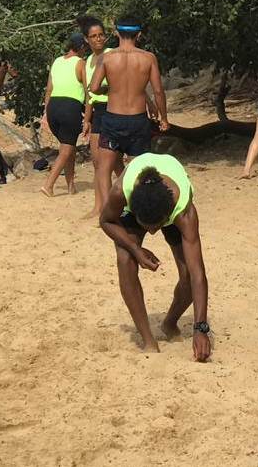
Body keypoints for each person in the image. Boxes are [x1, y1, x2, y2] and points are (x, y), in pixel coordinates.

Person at [99, 153, 211, 362]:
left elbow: (198, 274)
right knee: (125, 260)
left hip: (167, 208)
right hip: (139, 208)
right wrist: (135, 248)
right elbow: (105, 221)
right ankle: (148, 340)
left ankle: (170, 322)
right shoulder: (121, 192)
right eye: (146, 227)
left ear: (168, 216)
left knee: (187, 274)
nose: (151, 233)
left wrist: (200, 327)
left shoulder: (183, 210)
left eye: (157, 227)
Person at [89, 14, 169, 211]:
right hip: (137, 120)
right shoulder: (148, 58)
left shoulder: (107, 58)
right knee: (137, 170)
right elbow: (158, 91)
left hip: (112, 119)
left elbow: (94, 87)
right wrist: (164, 118)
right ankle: (134, 209)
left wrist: (109, 89)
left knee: (104, 169)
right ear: (138, 35)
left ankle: (107, 211)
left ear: (116, 33)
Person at [79, 15, 122, 217]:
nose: (98, 39)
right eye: (94, 36)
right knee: (97, 162)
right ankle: (99, 206)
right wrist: (87, 119)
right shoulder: (88, 60)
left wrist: (104, 88)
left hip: (113, 109)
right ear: (86, 39)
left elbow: (121, 83)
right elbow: (89, 94)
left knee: (114, 162)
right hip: (97, 112)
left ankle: (121, 203)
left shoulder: (111, 54)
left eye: (101, 35)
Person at [40, 32, 87, 197]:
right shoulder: (81, 63)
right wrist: (89, 115)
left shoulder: (57, 61)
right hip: (70, 107)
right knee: (66, 150)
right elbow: (87, 91)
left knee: (68, 146)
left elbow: (49, 90)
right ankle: (48, 185)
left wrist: (46, 113)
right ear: (81, 47)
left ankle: (70, 185)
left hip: (53, 106)